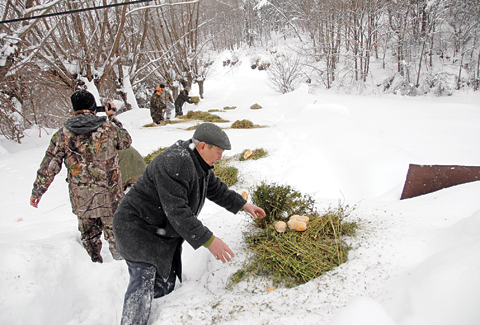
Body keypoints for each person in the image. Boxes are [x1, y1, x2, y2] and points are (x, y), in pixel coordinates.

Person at [113, 122, 266, 325]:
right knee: (142, 282)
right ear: (203, 146)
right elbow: (177, 212)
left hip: (158, 231)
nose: (221, 157)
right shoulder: (175, 163)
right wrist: (210, 241)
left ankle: (159, 316)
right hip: (136, 229)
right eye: (218, 151)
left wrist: (244, 206)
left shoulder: (198, 163)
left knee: (165, 284)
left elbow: (216, 189)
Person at [30, 89, 132, 263]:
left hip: (83, 201)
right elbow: (126, 141)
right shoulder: (108, 128)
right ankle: (122, 271)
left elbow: (49, 166)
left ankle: (93, 270)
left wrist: (37, 192)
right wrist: (112, 117)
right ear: (94, 107)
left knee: (90, 242)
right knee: (118, 241)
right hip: (110, 198)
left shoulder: (63, 134)